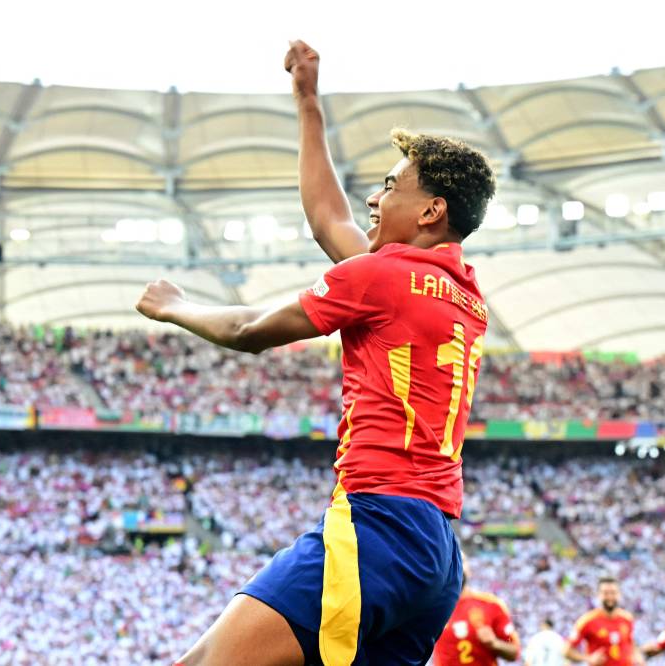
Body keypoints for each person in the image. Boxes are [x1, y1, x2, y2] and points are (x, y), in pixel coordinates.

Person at [136, 39, 496, 666]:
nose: (374, 201)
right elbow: (328, 220)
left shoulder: (382, 278)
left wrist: (173, 306)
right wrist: (307, 101)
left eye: (390, 187)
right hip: (436, 554)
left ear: (433, 210)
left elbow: (251, 329)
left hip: (377, 528)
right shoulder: (461, 292)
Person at [433, 558, 521, 665]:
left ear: (469, 569)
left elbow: (515, 651)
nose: (457, 566)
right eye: (451, 561)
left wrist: (495, 643)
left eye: (461, 560)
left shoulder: (491, 604)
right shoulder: (432, 607)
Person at [564, 577, 644, 666]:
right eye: (606, 593)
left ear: (619, 594)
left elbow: (630, 643)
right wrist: (588, 658)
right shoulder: (587, 620)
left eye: (613, 593)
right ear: (598, 595)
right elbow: (567, 651)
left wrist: (638, 657)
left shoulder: (627, 618)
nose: (610, 596)